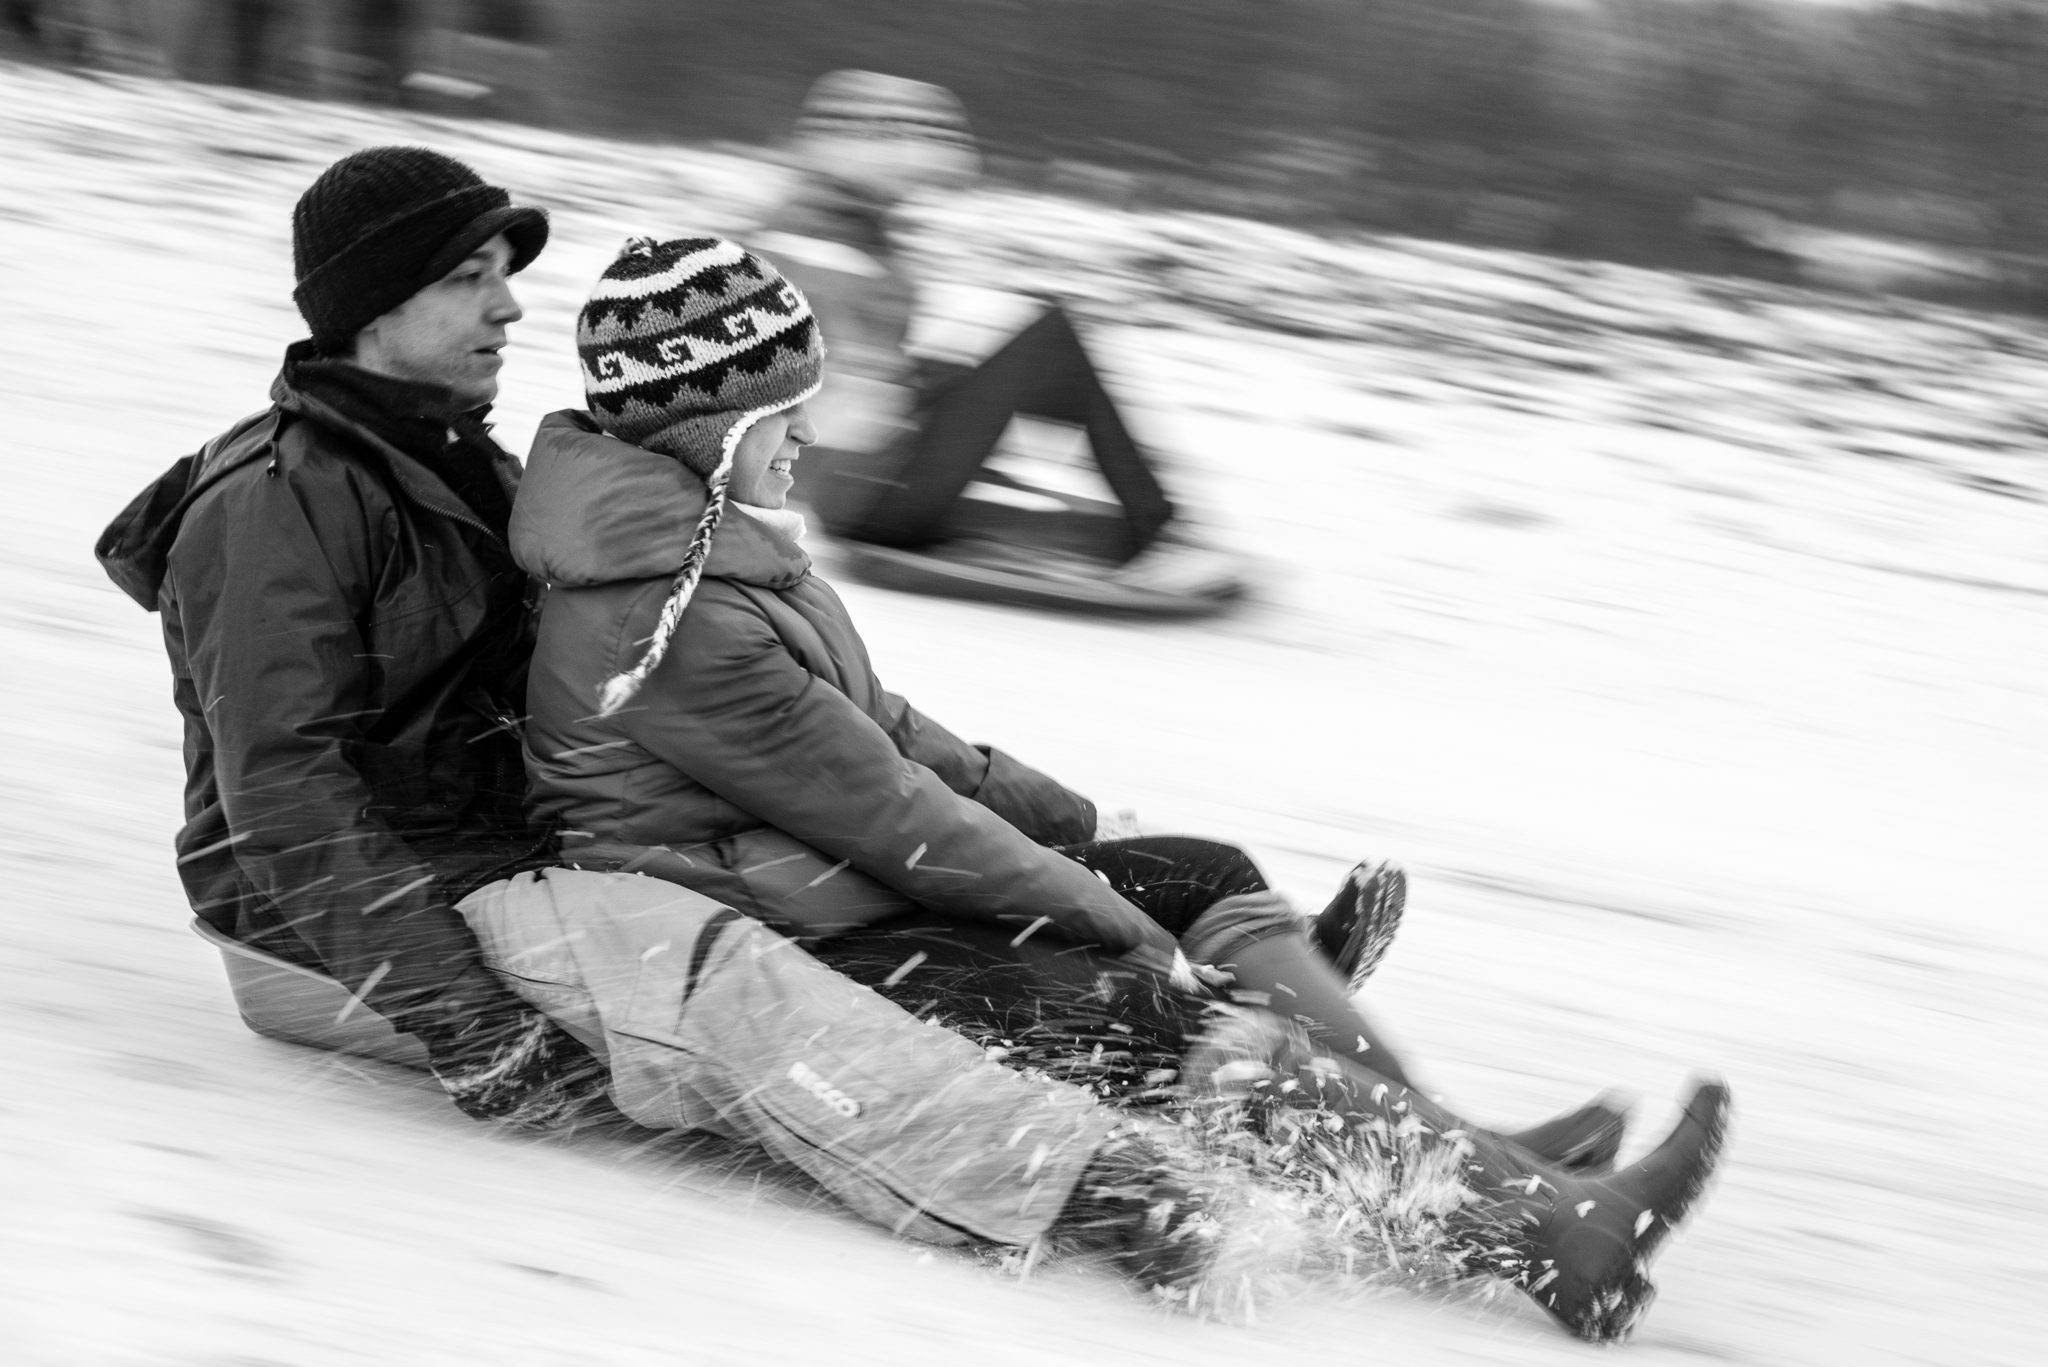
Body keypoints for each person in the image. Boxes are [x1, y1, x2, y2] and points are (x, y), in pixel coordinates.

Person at [516, 233, 1731, 1341]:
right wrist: (1108, 918)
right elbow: (895, 818)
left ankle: (1468, 1155)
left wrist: (1083, 834)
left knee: (1196, 871)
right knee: (1160, 1017)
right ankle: (1547, 1233)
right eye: (788, 411)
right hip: (797, 942)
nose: (812, 439)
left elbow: (893, 737)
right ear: (710, 425)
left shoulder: (719, 555)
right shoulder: (670, 618)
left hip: (839, 883)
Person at [94, 147, 1225, 1288]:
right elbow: (285, 801)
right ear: (370, 303)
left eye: (504, 269)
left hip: (512, 858)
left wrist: (1066, 836)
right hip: (351, 927)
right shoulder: (275, 505)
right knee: (710, 974)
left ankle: (1168, 1036)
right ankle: (1084, 1183)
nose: (509, 300)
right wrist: (464, 1016)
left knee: (840, 893)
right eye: (465, 276)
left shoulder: (459, 461)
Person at [753, 69, 1245, 608]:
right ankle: (1160, 530)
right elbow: (823, 382)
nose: (916, 193)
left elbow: (861, 372)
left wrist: (940, 393)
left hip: (862, 485)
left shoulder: (842, 232)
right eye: (910, 179)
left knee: (1012, 355)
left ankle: (1153, 526)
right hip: (867, 500)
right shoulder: (815, 245)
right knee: (1048, 338)